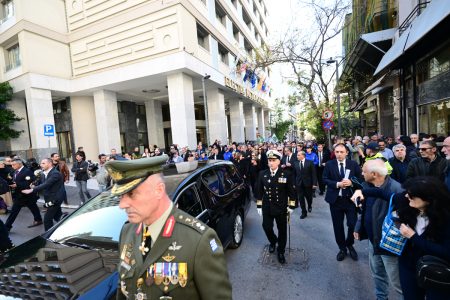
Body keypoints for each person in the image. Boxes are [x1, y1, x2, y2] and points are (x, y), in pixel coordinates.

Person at [105, 155, 232, 299]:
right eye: (121, 196)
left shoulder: (199, 240)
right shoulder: (127, 231)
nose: (122, 205)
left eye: (131, 194)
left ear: (159, 190)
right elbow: (122, 290)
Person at [352, 177, 450, 299]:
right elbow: (382, 193)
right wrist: (361, 191)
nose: (407, 196)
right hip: (407, 265)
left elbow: (446, 251)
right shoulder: (406, 201)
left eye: (412, 195)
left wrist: (413, 236)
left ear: (429, 199)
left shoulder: (445, 218)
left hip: (436, 269)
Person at [353, 160, 403, 299]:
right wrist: (359, 226)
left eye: (364, 171)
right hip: (373, 240)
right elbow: (364, 211)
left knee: (397, 283)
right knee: (377, 274)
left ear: (374, 174)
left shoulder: (396, 189)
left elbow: (404, 220)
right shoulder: (367, 186)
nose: (361, 174)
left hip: (389, 245)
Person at [254, 150, 297, 264]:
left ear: (279, 161)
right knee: (266, 227)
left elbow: (291, 191)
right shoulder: (262, 174)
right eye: (269, 160)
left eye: (274, 160)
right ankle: (273, 241)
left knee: (282, 230)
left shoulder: (286, 174)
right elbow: (259, 190)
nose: (271, 163)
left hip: (281, 207)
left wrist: (291, 206)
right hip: (267, 206)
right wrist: (259, 205)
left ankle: (281, 251)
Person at [323, 143, 362, 261]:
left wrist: (351, 182)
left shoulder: (353, 164)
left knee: (352, 224)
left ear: (346, 153)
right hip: (335, 200)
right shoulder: (330, 164)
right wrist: (337, 184)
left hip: (350, 200)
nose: (339, 154)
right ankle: (342, 248)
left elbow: (360, 179)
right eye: (337, 152)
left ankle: (349, 244)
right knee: (337, 225)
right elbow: (324, 179)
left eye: (341, 152)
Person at [22, 158, 65, 231]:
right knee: (58, 217)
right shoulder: (43, 173)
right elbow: (40, 182)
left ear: (50, 164)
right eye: (41, 163)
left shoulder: (55, 173)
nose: (41, 165)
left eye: (43, 163)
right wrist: (34, 184)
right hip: (49, 198)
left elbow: (46, 184)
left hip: (55, 199)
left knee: (47, 219)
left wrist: (32, 190)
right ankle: (68, 228)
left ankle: (48, 236)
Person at [4, 159, 43, 231]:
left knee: (15, 211)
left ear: (20, 164)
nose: (12, 166)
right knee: (32, 207)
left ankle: (7, 227)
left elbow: (31, 182)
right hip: (19, 195)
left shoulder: (27, 171)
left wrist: (17, 185)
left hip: (26, 194)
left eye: (14, 164)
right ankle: (38, 219)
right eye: (11, 165)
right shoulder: (15, 171)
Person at [293, 151, 317, 219]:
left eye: (298, 155)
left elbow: (313, 174)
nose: (297, 156)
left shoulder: (310, 162)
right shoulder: (295, 163)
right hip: (299, 184)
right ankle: (304, 212)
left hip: (308, 183)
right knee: (301, 198)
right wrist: (294, 183)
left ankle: (309, 205)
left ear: (303, 156)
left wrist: (314, 183)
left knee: (309, 197)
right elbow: (294, 174)